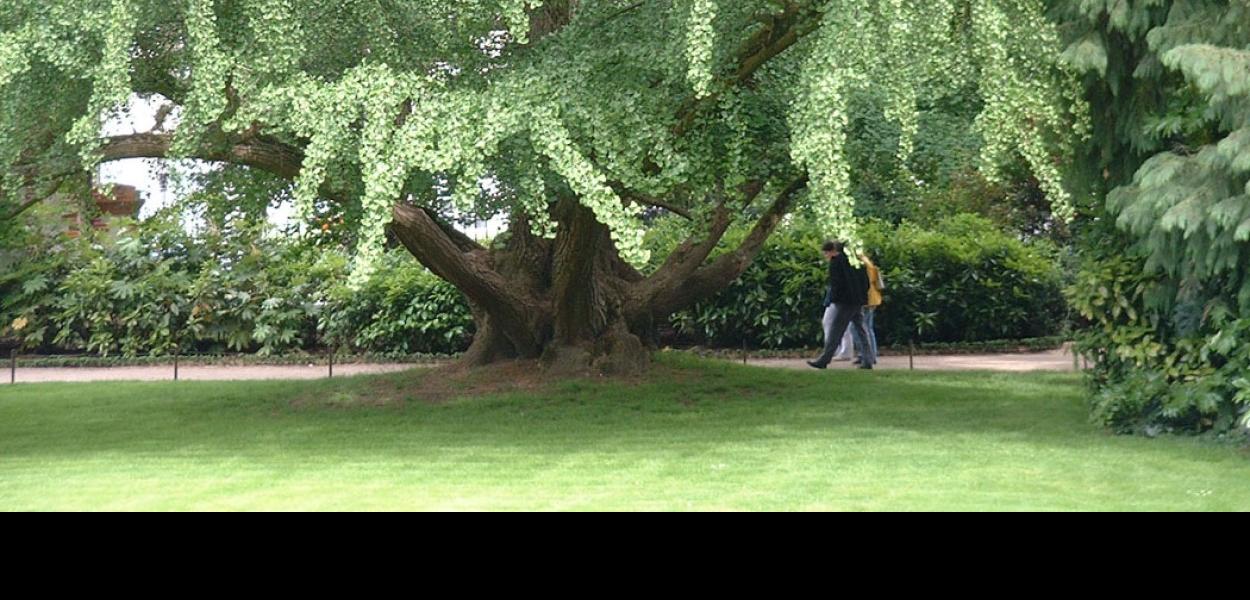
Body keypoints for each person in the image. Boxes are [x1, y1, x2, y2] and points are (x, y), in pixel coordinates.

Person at [808, 241, 876, 370]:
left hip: (844, 301)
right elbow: (865, 282)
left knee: (835, 330)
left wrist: (834, 299)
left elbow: (836, 283)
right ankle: (868, 359)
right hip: (858, 300)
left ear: (832, 251)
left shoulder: (836, 262)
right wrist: (862, 296)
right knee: (861, 329)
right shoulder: (857, 262)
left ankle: (824, 359)